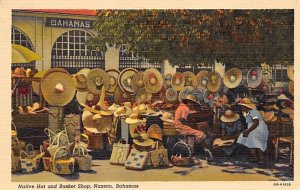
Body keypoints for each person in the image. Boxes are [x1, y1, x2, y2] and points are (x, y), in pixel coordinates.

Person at [174, 94, 213, 160]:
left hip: (179, 126)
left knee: (196, 133)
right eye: (190, 102)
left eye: (192, 103)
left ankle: (203, 148)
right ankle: (207, 151)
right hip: (181, 127)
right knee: (202, 134)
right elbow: (184, 121)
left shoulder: (181, 107)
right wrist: (194, 125)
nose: (191, 104)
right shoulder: (185, 108)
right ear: (187, 102)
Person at [236, 98, 269, 163]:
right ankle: (255, 158)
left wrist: (248, 130)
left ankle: (262, 159)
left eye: (243, 106)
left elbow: (256, 122)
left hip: (258, 128)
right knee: (251, 142)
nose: (242, 108)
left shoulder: (254, 111)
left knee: (258, 143)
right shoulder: (247, 112)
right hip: (252, 127)